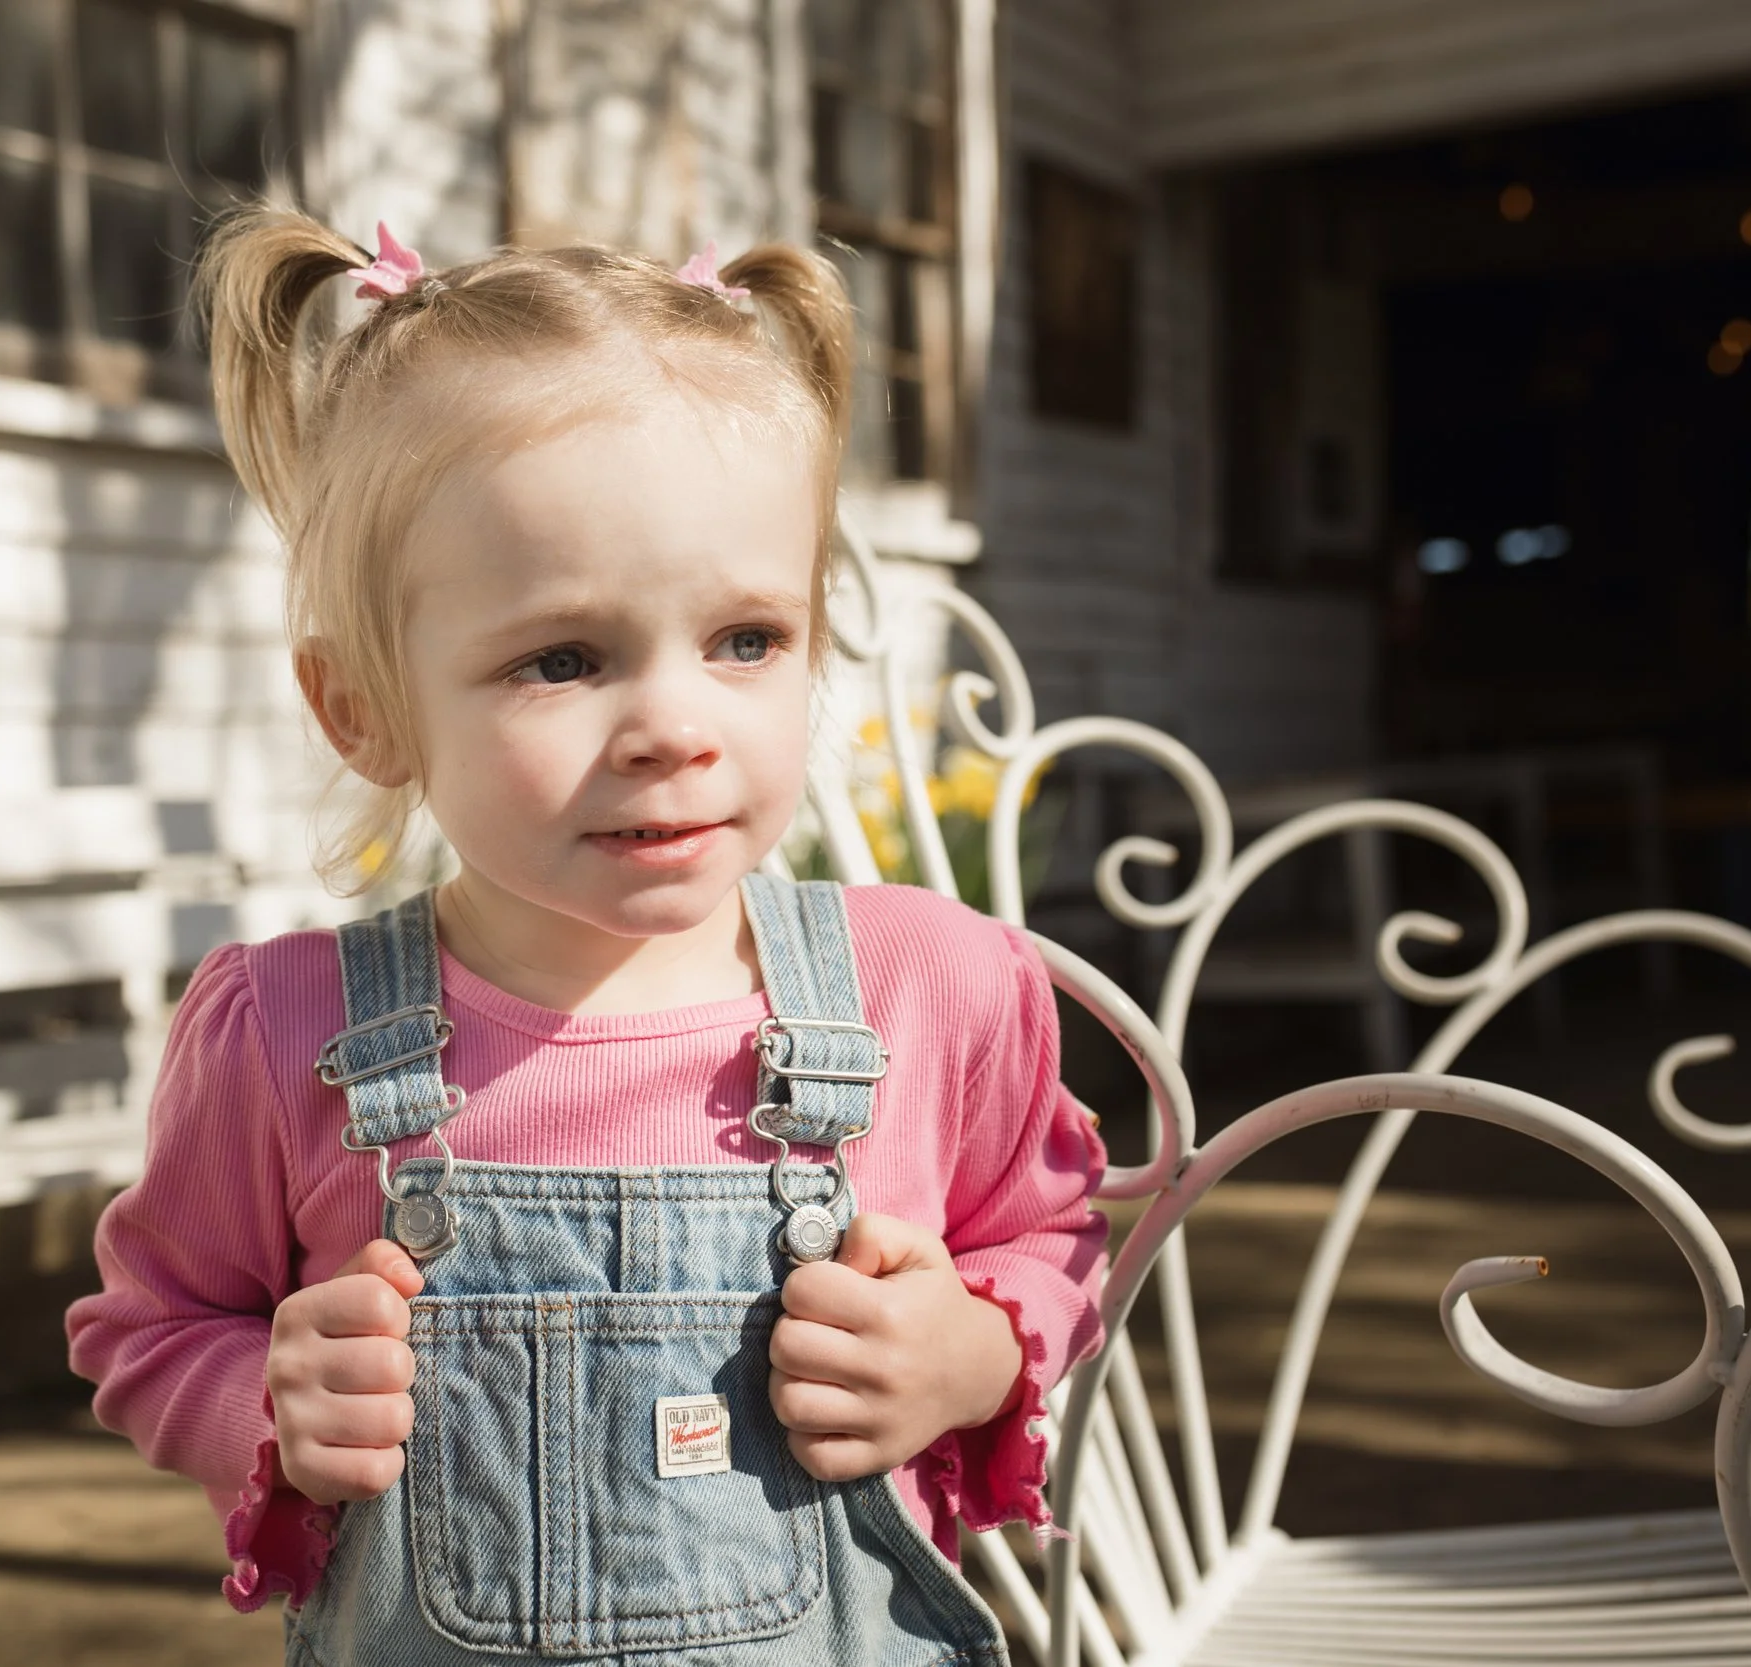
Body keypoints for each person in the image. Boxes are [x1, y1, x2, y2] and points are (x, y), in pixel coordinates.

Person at [65, 208, 1108, 1666]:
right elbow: (151, 1325)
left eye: (747, 639)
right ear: (363, 705)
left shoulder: (933, 986)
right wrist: (270, 1401)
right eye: (563, 659)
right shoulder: (284, 1031)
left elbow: (1048, 1236)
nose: (676, 728)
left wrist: (976, 1352)